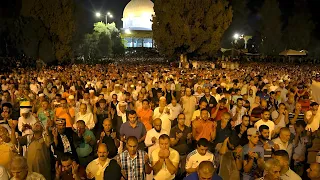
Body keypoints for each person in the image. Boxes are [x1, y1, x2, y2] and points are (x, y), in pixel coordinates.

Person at [170, 113, 192, 177]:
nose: (182, 120)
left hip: (185, 154)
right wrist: (177, 139)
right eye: (180, 119)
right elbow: (172, 144)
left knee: (183, 172)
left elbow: (190, 143)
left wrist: (189, 138)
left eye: (183, 119)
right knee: (175, 172)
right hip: (176, 154)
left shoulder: (188, 129)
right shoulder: (173, 130)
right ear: (177, 120)